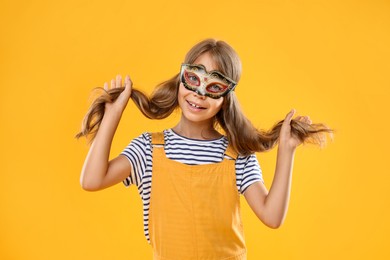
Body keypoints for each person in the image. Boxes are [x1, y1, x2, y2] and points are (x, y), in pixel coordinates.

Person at [76, 38, 332, 260]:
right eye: (193, 78)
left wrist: (286, 152)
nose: (199, 93)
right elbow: (91, 180)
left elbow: (272, 217)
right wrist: (112, 115)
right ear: (180, 79)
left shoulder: (237, 156)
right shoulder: (147, 149)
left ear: (225, 98)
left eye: (214, 87)